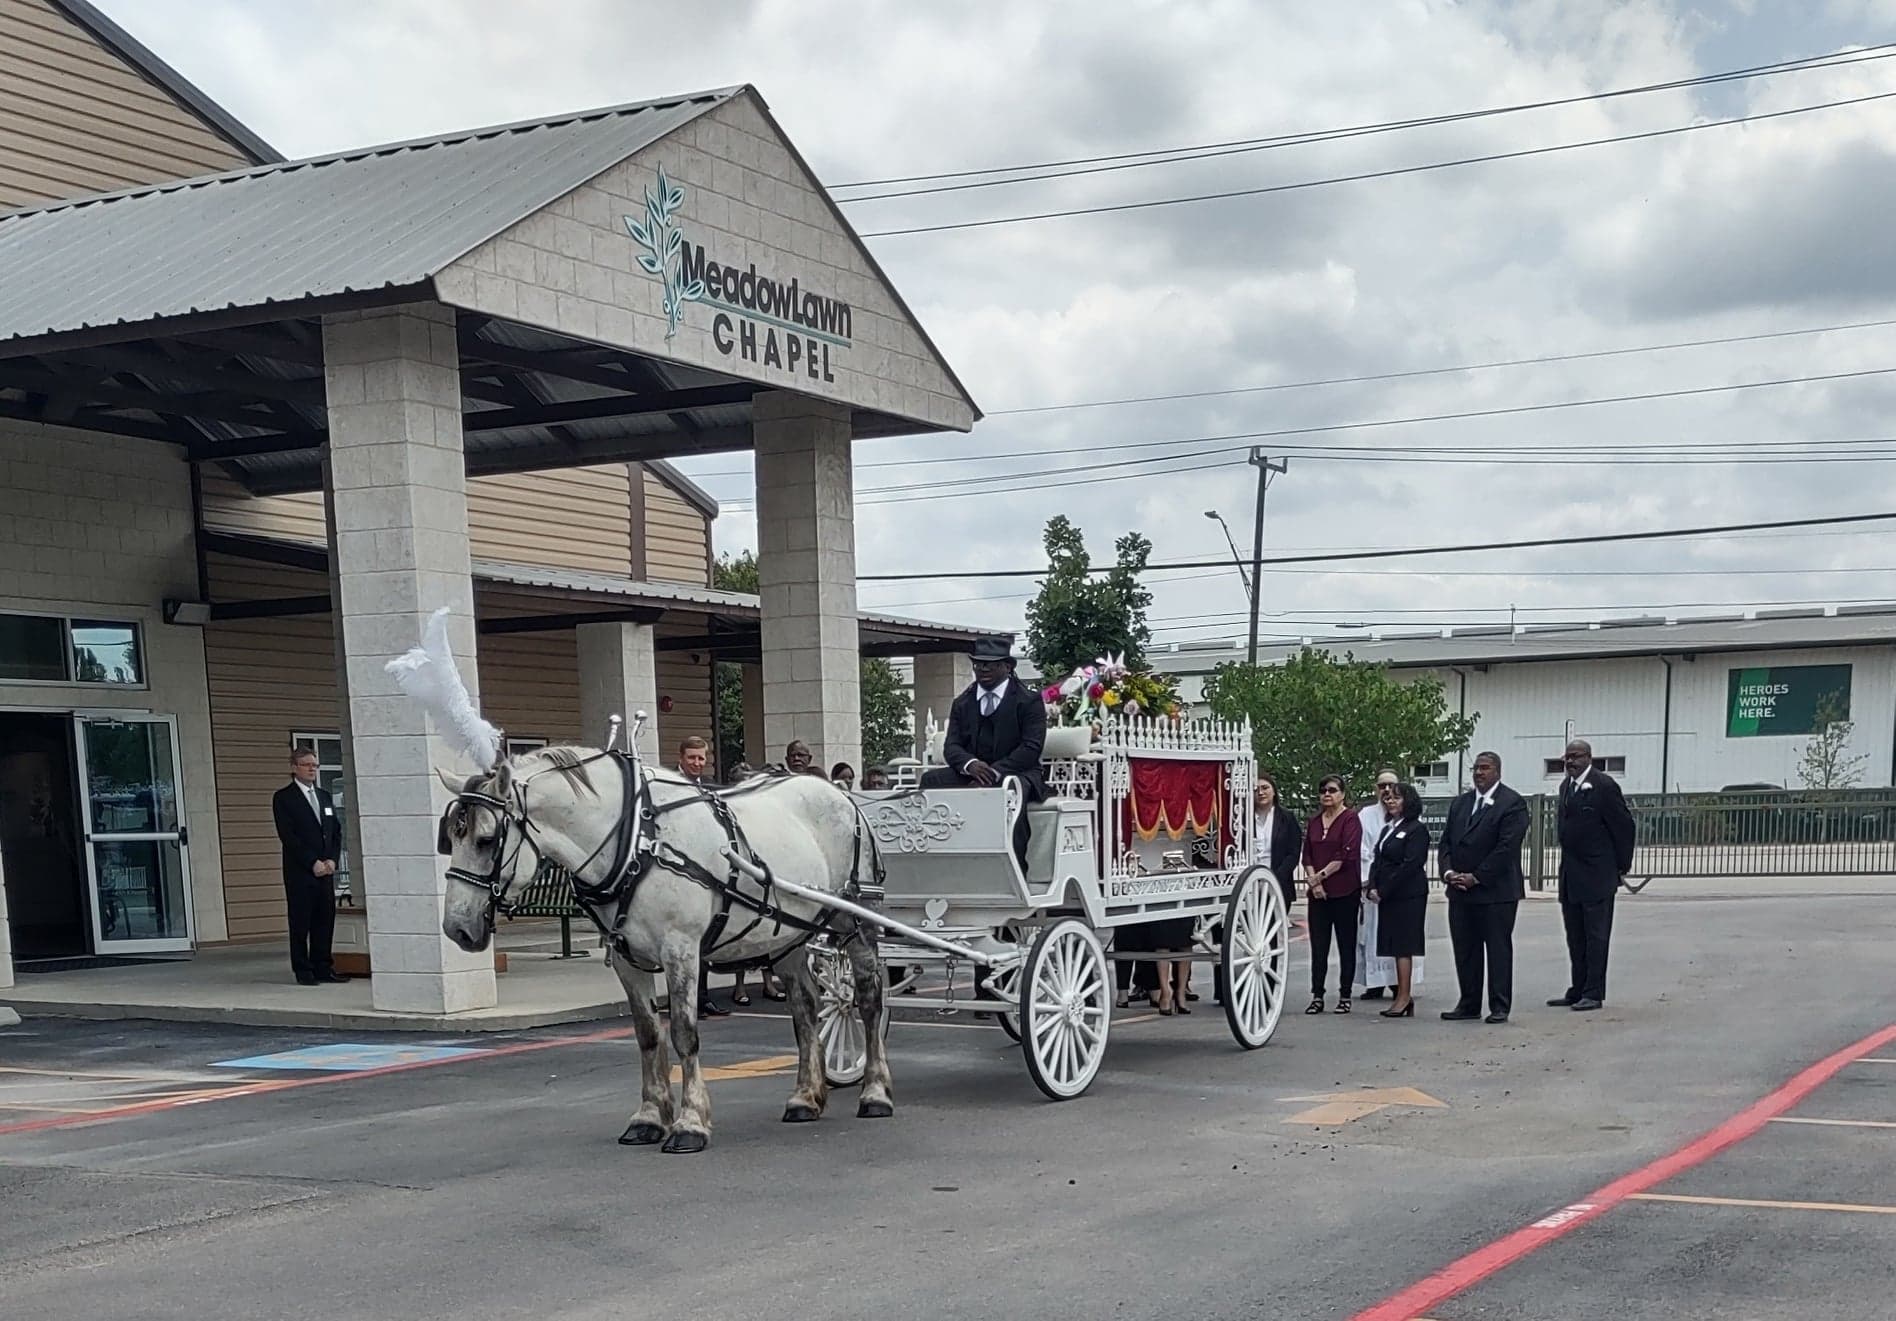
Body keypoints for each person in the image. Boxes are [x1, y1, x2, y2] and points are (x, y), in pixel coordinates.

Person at [919, 635, 1046, 864]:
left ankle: (1015, 869)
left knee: (1010, 793)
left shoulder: (1028, 701)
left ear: (1007, 666)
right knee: (931, 781)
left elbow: (1031, 748)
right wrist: (970, 765)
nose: (982, 669)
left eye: (990, 664)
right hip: (973, 771)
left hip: (1018, 773)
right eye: (978, 664)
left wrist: (994, 773)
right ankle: (935, 859)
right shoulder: (963, 702)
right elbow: (952, 746)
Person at [1439, 750, 1529, 1024]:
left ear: (1497, 771)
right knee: (1466, 949)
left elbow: (1506, 848)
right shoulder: (1460, 804)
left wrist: (1477, 877)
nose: (1479, 773)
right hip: (1460, 891)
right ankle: (1469, 1003)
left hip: (1495, 893)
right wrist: (1449, 872)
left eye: (1485, 768)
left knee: (1498, 949)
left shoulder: (1512, 803)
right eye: (1476, 768)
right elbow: (1446, 844)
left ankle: (1499, 1005)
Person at [1552, 739, 1635, 1012]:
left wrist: (1620, 867)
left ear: (1589, 757)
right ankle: (1577, 987)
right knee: (1575, 935)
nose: (1570, 762)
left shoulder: (1604, 786)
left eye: (1575, 756)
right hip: (1571, 875)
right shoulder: (1566, 786)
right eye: (1567, 757)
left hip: (1597, 874)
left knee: (1596, 936)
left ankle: (1593, 991)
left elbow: (1623, 827)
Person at [1214, 774, 1301, 1005]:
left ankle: (1268, 985)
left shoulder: (1287, 818)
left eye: (1265, 788)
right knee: (1241, 933)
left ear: (1274, 791)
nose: (1260, 792)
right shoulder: (1241, 818)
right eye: (1256, 789)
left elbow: (1293, 852)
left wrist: (1275, 876)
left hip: (1276, 881)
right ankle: (1230, 987)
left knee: (1269, 936)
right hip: (1246, 882)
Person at [271, 746, 347, 986]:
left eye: (315, 764)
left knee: (324, 919)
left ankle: (323, 966)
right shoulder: (284, 798)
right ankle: (303, 970)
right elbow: (289, 836)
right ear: (294, 768)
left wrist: (332, 859)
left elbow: (335, 831)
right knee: (301, 921)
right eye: (306, 764)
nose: (312, 769)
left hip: (326, 870)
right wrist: (311, 862)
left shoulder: (324, 796)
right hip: (301, 872)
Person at [1364, 782, 1430, 1018]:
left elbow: (1411, 865)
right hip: (1387, 894)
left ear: (1408, 801)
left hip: (1407, 894)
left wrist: (1385, 889)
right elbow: (1377, 860)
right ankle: (1403, 996)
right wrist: (1372, 885)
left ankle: (1403, 997)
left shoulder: (1416, 829)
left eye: (1396, 798)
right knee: (1393, 945)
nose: (1390, 801)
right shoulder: (1388, 828)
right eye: (1388, 798)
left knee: (1404, 946)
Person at [676, 736, 730, 1019]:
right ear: (681, 757)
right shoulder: (669, 787)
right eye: (692, 758)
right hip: (678, 872)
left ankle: (704, 997)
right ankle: (689, 1002)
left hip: (707, 869)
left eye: (701, 758)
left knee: (705, 940)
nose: (697, 763)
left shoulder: (709, 787)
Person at [1300, 774, 1362, 1014]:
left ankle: (1345, 994)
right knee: (1319, 946)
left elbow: (1345, 855)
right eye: (1323, 790)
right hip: (1318, 893)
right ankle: (1317, 995)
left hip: (1344, 890)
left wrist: (1320, 877)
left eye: (1332, 790)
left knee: (1346, 944)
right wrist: (1314, 883)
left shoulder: (1350, 819)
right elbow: (1307, 854)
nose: (1327, 794)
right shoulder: (1315, 821)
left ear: (1342, 794)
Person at [1356, 769, 1403, 1001]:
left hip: (1397, 883)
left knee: (1396, 934)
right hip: (1372, 882)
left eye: (1391, 786)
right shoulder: (1366, 814)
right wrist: (1368, 881)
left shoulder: (1405, 813)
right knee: (1370, 935)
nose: (1386, 791)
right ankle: (1374, 982)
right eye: (1382, 786)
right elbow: (1361, 848)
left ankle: (1397, 983)